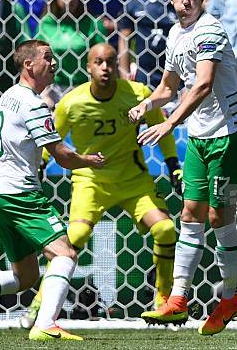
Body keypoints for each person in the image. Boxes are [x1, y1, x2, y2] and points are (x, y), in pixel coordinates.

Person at [0, 39, 105, 341]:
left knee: (25, 276)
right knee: (64, 254)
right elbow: (61, 154)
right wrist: (88, 160)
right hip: (20, 193)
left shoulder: (7, 97)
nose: (54, 63)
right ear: (29, 65)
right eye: (47, 58)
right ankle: (47, 324)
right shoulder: (34, 103)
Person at [20, 43, 182, 328]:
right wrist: (41, 165)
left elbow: (162, 127)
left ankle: (163, 300)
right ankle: (40, 304)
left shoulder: (139, 95)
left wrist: (173, 166)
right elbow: (51, 140)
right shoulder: (72, 103)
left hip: (133, 179)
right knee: (76, 235)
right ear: (88, 67)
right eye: (99, 62)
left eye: (110, 62)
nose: (105, 68)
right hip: (90, 180)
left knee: (166, 229)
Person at [129, 0, 237, 336]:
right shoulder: (174, 34)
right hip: (200, 137)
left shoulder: (210, 30)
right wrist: (146, 104)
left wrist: (168, 124)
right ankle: (178, 300)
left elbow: (202, 85)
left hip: (232, 135)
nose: (187, 0)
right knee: (190, 212)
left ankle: (230, 297)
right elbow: (169, 88)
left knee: (219, 216)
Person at [36, 0, 106, 107]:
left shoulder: (92, 24)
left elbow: (103, 60)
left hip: (85, 89)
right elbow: (38, 61)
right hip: (54, 91)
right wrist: (45, 93)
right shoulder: (46, 24)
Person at [118, 0, 178, 88]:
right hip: (143, 82)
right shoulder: (135, 3)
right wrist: (125, 78)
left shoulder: (179, 3)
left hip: (175, 82)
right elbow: (124, 41)